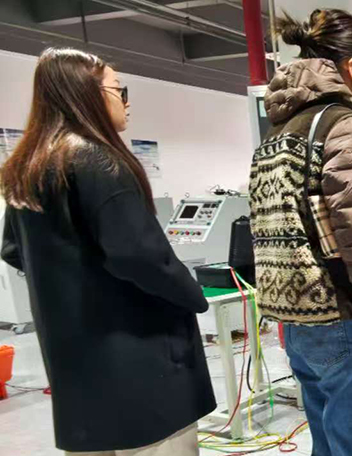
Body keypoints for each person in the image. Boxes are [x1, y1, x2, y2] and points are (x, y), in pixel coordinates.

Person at [0, 48, 215, 455]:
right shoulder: (98, 160)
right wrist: (192, 294)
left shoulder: (27, 167)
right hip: (141, 361)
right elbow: (140, 256)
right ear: (87, 93)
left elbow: (12, 249)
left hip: (75, 365)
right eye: (119, 90)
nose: (126, 102)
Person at [249, 9, 352, 456]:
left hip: (298, 322)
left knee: (328, 443)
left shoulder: (279, 130)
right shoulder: (341, 124)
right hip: (343, 316)